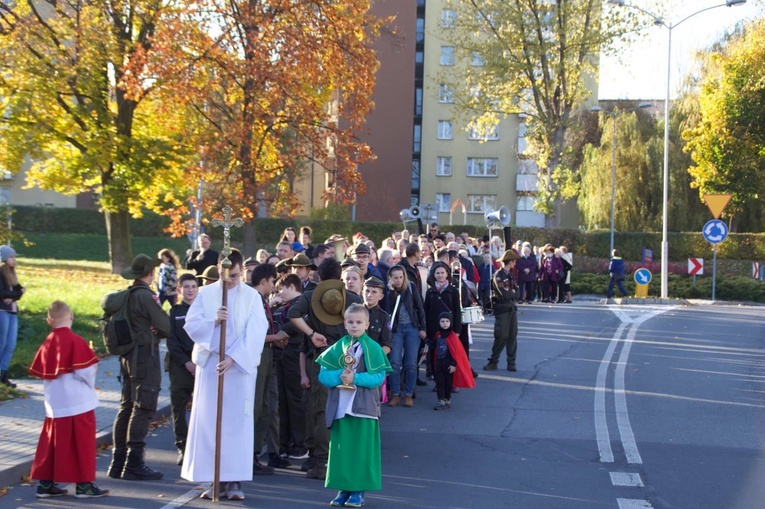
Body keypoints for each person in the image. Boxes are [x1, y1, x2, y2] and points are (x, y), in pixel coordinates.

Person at [181, 249, 267, 501]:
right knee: (210, 422)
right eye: (226, 275)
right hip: (211, 366)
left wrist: (233, 357)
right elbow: (191, 323)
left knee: (236, 424)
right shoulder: (206, 293)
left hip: (239, 368)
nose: (231, 280)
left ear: (242, 271)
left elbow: (256, 330)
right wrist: (214, 323)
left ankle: (234, 480)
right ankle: (213, 478)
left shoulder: (251, 296)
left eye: (237, 275)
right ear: (219, 269)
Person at [288, 258, 362, 480]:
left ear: (318, 276)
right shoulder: (352, 298)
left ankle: (319, 459)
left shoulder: (311, 295)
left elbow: (293, 313)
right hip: (347, 357)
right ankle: (335, 456)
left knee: (319, 408)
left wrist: (311, 333)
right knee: (342, 407)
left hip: (320, 356)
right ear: (340, 276)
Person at [28, 300, 109, 499]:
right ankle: (84, 486)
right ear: (71, 317)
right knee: (82, 444)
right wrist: (92, 381)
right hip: (78, 402)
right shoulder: (75, 340)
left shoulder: (47, 342)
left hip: (54, 404)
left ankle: (45, 485)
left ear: (49, 321)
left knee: (52, 444)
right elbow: (86, 371)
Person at [316, 304, 392, 508]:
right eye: (350, 322)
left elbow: (378, 377)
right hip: (341, 409)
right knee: (341, 451)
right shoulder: (338, 347)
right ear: (344, 323)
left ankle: (358, 491)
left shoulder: (374, 348)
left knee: (361, 451)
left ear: (367, 324)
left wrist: (355, 378)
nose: (354, 326)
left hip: (364, 409)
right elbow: (323, 374)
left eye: (359, 322)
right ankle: (343, 489)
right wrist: (339, 376)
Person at [107, 254, 171, 481]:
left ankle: (118, 462)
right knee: (143, 407)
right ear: (151, 273)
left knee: (126, 406)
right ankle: (134, 463)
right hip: (144, 355)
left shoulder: (127, 295)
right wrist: (158, 327)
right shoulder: (145, 296)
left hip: (128, 356)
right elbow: (165, 325)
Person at [250, 263, 290, 474]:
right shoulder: (252, 300)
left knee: (266, 405)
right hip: (258, 355)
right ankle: (249, 455)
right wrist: (276, 337)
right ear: (264, 281)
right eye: (273, 281)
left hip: (267, 354)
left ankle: (255, 454)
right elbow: (250, 334)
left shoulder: (262, 301)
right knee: (256, 406)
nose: (274, 286)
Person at [272, 274, 308, 461]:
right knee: (282, 400)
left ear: (292, 286)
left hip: (294, 352)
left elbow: (295, 325)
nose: (279, 293)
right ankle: (283, 442)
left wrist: (280, 334)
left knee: (295, 400)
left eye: (281, 288)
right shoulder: (279, 306)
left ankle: (300, 443)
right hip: (280, 355)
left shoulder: (301, 303)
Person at [166, 274, 199, 466]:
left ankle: (200, 446)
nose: (190, 290)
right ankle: (183, 446)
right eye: (186, 287)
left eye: (193, 286)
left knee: (202, 408)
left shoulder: (204, 311)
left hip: (202, 365)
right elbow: (172, 341)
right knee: (178, 408)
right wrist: (187, 362)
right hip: (181, 366)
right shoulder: (174, 312)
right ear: (179, 290)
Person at [385, 265, 426, 408]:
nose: (398, 280)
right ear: (390, 278)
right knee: (395, 363)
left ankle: (408, 394)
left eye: (400, 277)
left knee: (411, 363)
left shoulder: (410, 287)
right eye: (395, 278)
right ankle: (395, 394)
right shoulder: (388, 290)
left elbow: (420, 307)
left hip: (411, 328)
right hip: (396, 329)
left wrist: (423, 328)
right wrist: (390, 292)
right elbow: (387, 309)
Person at [484, 249, 520, 372]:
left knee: (512, 336)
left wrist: (512, 293)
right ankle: (493, 361)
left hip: (511, 309)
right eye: (514, 261)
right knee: (501, 336)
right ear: (510, 262)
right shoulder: (498, 276)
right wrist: (512, 293)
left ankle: (511, 362)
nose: (515, 263)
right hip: (502, 309)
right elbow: (504, 294)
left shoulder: (511, 276)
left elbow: (517, 292)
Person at [431, 312, 474, 411]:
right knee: (440, 382)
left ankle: (447, 399)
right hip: (439, 363)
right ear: (439, 323)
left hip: (449, 365)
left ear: (450, 323)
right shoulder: (438, 335)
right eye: (442, 321)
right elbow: (433, 347)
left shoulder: (452, 336)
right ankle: (441, 400)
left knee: (448, 383)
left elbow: (456, 353)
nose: (445, 323)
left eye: (447, 321)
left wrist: (454, 364)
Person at [0, 245, 24, 388]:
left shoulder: (12, 274)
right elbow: (2, 293)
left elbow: (19, 290)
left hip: (13, 311)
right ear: (4, 258)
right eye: (11, 257)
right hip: (2, 311)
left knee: (11, 345)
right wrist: (16, 295)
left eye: (15, 257)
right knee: (1, 344)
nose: (14, 260)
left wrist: (14, 297)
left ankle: (3, 373)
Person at [362, 277, 392, 354]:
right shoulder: (354, 311)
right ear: (362, 293)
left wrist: (375, 358)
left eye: (374, 292)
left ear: (381, 296)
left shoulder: (384, 317)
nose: (369, 295)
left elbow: (387, 345)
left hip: (374, 356)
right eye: (367, 291)